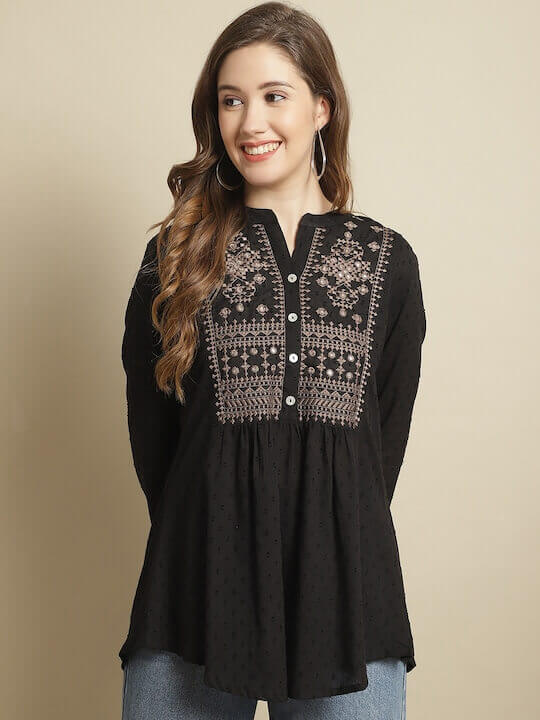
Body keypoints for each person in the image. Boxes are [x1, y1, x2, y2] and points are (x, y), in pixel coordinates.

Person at [119, 3, 427, 719]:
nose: (250, 122)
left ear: (322, 107)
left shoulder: (387, 262)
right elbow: (155, 441)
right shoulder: (174, 258)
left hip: (347, 595)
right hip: (195, 585)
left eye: (273, 96)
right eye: (231, 101)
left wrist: (326, 520)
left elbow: (380, 445)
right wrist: (215, 519)